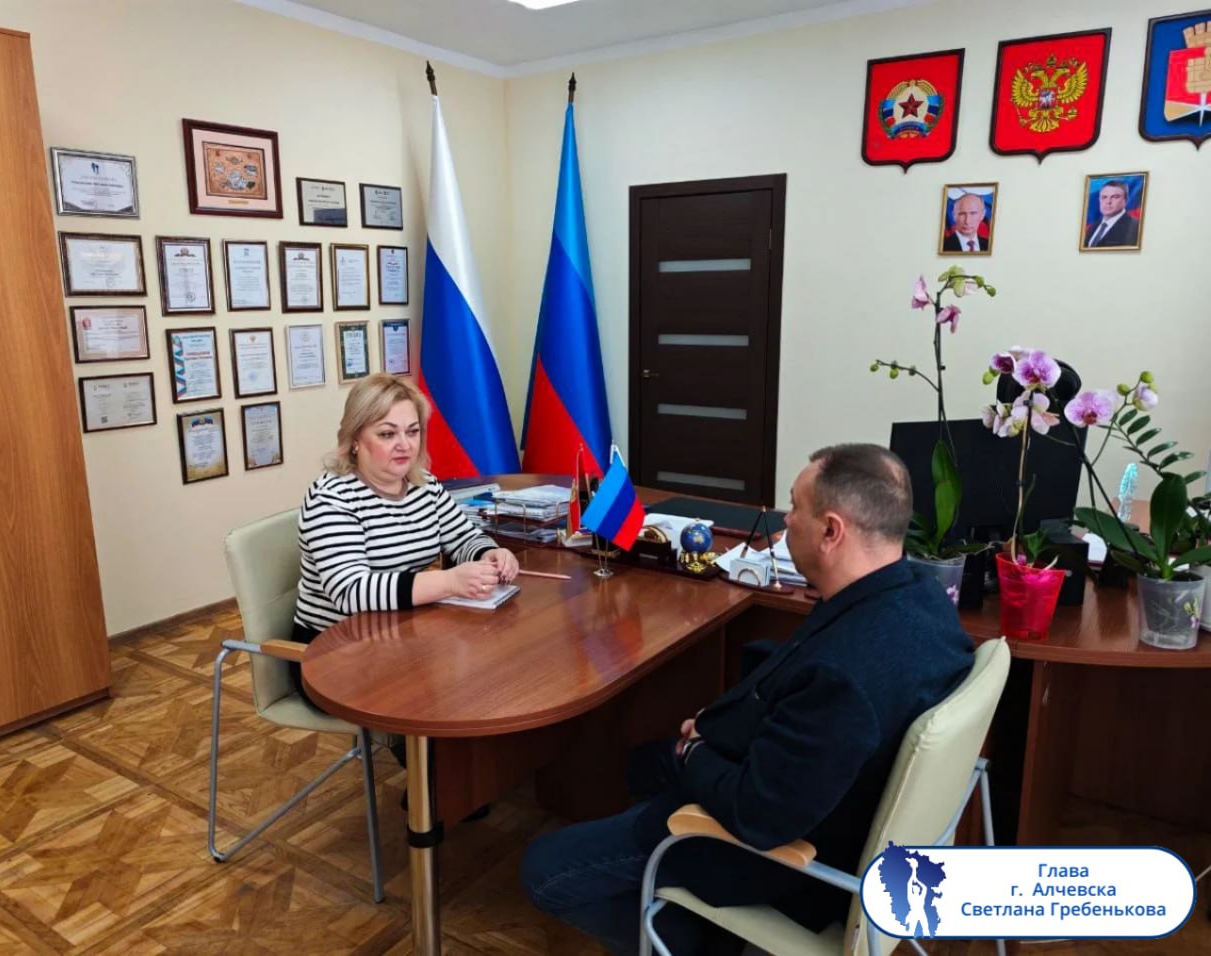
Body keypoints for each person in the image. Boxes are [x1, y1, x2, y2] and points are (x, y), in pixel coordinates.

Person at [521, 444, 975, 955]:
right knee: (640, 766)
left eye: (795, 507)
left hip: (781, 860)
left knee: (543, 869)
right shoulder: (923, 596)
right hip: (821, 799)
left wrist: (696, 752)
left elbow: (759, 816)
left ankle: (690, 943)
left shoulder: (842, 678)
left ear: (831, 531)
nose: (786, 521)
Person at [291, 373, 520, 697]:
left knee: (490, 674)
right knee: (456, 691)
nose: (405, 445)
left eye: (412, 431)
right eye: (387, 434)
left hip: (398, 637)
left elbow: (464, 538)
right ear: (355, 439)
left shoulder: (422, 484)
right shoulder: (332, 498)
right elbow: (351, 591)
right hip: (333, 655)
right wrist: (449, 582)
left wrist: (489, 554)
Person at [1084, 180, 1139, 248]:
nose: (1108, 201)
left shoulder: (1135, 227)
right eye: (1104, 197)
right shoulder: (1093, 227)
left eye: (1115, 197)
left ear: (1126, 200)